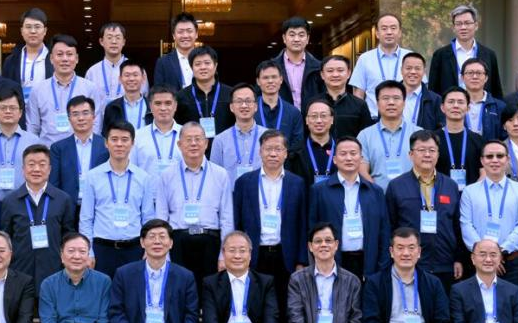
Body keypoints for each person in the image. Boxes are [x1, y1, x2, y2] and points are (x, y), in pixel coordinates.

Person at [233, 131, 308, 311]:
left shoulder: (297, 183)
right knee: (256, 307)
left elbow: (302, 224)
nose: (273, 154)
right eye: (268, 149)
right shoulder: (244, 182)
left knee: (284, 308)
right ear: (260, 152)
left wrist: (301, 261)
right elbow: (237, 222)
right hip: (255, 255)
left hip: (285, 256)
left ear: (286, 153)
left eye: (278, 149)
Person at [385, 130, 465, 295]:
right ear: (411, 154)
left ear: (438, 154)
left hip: (445, 263)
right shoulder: (396, 186)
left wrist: (458, 258)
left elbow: (457, 225)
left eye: (432, 150)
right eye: (421, 150)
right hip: (410, 263)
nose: (427, 155)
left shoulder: (450, 185)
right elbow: (389, 226)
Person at [154, 123, 233, 280]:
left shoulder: (221, 174)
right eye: (188, 139)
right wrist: (164, 252)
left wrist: (224, 253)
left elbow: (227, 217)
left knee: (209, 290)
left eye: (198, 139)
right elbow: (161, 217)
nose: (193, 144)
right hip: (178, 241)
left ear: (206, 143)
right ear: (179, 144)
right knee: (180, 289)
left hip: (210, 241)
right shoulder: (167, 175)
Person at [310, 137, 391, 279]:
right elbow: (311, 228)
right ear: (335, 159)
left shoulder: (375, 192)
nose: (348, 158)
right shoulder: (319, 191)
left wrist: (382, 267)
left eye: (353, 153)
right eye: (343, 154)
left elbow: (384, 231)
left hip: (368, 263)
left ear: (361, 158)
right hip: (332, 262)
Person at [80, 124, 154, 277]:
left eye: (124, 139)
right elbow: (86, 219)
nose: (119, 144)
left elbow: (148, 218)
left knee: (133, 291)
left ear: (132, 143)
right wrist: (88, 251)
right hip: (102, 249)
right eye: (114, 139)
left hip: (134, 249)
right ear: (106, 143)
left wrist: (148, 248)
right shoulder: (92, 177)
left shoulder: (144, 178)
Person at [459, 140, 518, 288]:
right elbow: (466, 225)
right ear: (482, 160)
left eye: (500, 156)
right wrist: (486, 255)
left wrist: (499, 253)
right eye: (489, 156)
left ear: (508, 159)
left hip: (510, 262)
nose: (494, 160)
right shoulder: (469, 192)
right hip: (478, 263)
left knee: (510, 302)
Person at [1, 144, 77, 281]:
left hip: (54, 270)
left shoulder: (63, 199)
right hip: (19, 271)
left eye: (42, 164)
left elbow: (68, 235)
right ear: (23, 169)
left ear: (49, 169)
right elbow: (5, 238)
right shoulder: (10, 201)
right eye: (31, 164)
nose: (36, 169)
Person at [27, 35, 104, 145]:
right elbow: (32, 127)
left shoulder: (90, 88)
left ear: (76, 59)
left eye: (69, 54)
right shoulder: (38, 90)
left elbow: (96, 125)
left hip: (81, 149)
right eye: (59, 54)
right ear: (51, 59)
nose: (65, 59)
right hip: (48, 150)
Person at [428, 4, 502, 98]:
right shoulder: (440, 55)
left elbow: (496, 89)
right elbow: (433, 92)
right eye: (459, 24)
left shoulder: (489, 55)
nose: (463, 27)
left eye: (467, 23)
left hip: (481, 105)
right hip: (451, 106)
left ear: (476, 25)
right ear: (453, 27)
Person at [356, 80, 421, 188]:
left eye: (396, 98)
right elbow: (362, 170)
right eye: (385, 98)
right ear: (377, 104)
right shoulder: (365, 135)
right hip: (377, 195)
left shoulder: (419, 133)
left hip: (412, 195)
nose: (391, 102)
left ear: (404, 103)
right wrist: (376, 192)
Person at [0, 91, 40, 194]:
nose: (8, 111)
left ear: (20, 113)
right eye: (3, 108)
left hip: (25, 201)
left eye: (12, 108)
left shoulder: (34, 142)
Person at [47, 95, 107, 204]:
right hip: (68, 206)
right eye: (75, 114)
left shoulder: (106, 145)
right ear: (69, 119)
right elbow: (54, 184)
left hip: (99, 205)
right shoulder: (58, 148)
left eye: (85, 113)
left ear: (94, 116)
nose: (81, 118)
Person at [352, 13, 412, 117]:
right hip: (373, 119)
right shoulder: (365, 59)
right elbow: (358, 94)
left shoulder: (410, 57)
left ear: (400, 33)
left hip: (405, 119)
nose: (389, 32)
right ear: (377, 33)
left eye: (393, 28)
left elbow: (420, 90)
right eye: (384, 28)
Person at [209, 83, 264, 189]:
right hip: (230, 196)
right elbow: (214, 177)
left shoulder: (268, 137)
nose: (244, 105)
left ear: (256, 106)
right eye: (239, 101)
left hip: (261, 195)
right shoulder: (220, 140)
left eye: (248, 101)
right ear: (231, 107)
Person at [262, 16, 322, 110]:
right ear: (284, 38)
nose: (296, 39)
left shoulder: (319, 67)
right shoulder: (270, 68)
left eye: (301, 35)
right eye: (292, 35)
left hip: (312, 117)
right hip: (282, 117)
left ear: (307, 39)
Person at [307, 55, 373, 141]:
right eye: (330, 71)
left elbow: (367, 137)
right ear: (322, 75)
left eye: (340, 70)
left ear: (348, 73)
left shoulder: (360, 105)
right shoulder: (312, 104)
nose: (335, 74)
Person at [177, 46, 233, 140]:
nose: (203, 67)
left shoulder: (230, 94)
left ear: (215, 66)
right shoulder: (181, 96)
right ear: (191, 67)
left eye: (207, 63)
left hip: (224, 147)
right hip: (193, 147)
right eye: (198, 64)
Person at [1, 8, 54, 104]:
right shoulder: (11, 61)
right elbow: (5, 91)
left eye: (37, 27)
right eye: (28, 27)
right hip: (19, 111)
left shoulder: (54, 59)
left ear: (45, 31)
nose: (33, 31)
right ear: (22, 31)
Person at [435, 87, 485, 189]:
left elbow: (484, 172)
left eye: (460, 102)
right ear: (442, 108)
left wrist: (470, 193)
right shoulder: (433, 140)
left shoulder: (478, 140)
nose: (456, 106)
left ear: (468, 108)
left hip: (471, 196)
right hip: (440, 195)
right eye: (451, 102)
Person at [86, 22, 146, 107]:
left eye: (118, 38)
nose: (114, 42)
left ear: (123, 42)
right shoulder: (92, 72)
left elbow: (145, 96)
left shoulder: (137, 70)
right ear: (101, 41)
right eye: (109, 38)